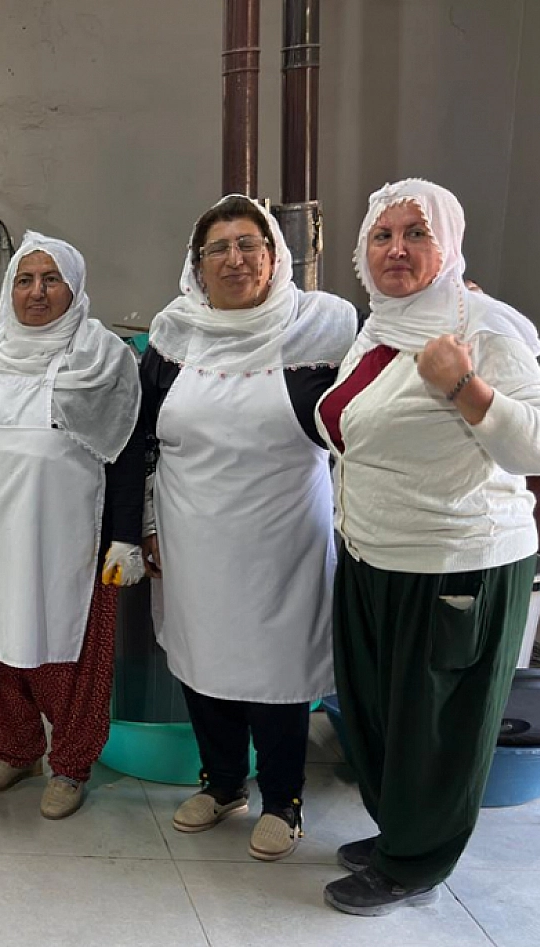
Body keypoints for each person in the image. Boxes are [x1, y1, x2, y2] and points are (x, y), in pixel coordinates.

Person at [318, 179, 540, 915]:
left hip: (455, 561)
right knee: (378, 713)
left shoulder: (481, 326)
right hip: (373, 553)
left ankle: (415, 861)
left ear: (447, 245)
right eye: (382, 235)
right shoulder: (382, 323)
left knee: (436, 723)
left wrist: (466, 386)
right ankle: (404, 829)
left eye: (416, 233)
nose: (396, 248)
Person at [139, 195, 358, 860]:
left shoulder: (325, 330)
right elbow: (142, 438)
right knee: (204, 659)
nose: (234, 259)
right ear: (197, 264)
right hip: (192, 531)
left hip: (284, 535)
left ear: (275, 256)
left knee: (277, 669)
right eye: (218, 248)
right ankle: (223, 781)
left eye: (249, 245)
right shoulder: (173, 334)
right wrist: (146, 521)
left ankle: (284, 799)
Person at [0, 232, 144, 819]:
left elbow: (127, 451)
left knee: (66, 655)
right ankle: (13, 750)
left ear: (75, 287)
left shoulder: (103, 358)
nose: (36, 292)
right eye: (24, 279)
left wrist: (125, 537)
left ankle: (70, 765)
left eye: (50, 280)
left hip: (69, 541)